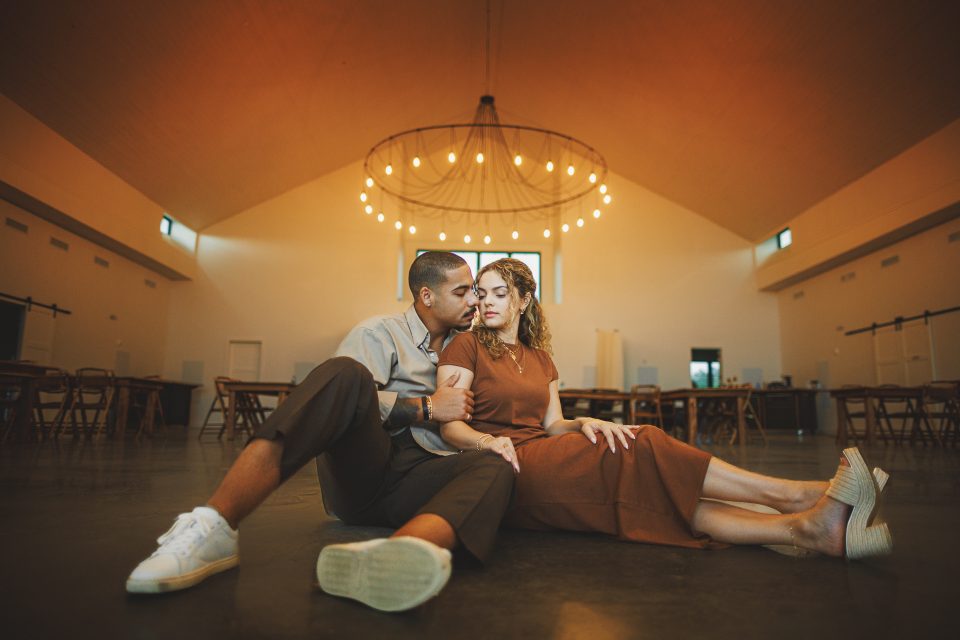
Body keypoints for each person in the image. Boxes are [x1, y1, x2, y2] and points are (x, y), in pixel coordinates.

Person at [126, 252, 516, 612]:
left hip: (422, 477)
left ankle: (401, 552)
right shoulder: (378, 333)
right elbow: (349, 400)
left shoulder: (467, 344)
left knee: (495, 461)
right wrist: (426, 407)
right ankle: (214, 526)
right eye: (463, 292)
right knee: (346, 374)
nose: (475, 302)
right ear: (427, 296)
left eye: (476, 293)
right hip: (366, 470)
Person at [436, 258, 892, 559]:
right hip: (505, 468)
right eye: (481, 292)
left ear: (523, 300)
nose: (485, 302)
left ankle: (805, 529)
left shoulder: (542, 359)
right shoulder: (465, 345)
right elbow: (449, 426)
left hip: (545, 452)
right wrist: (487, 440)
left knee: (648, 482)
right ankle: (795, 496)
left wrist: (585, 421)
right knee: (646, 443)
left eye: (497, 293)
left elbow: (554, 425)